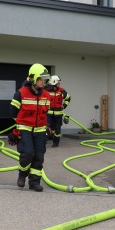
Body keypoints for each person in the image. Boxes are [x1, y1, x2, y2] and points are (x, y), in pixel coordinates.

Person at [10, 63, 51, 192]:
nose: (43, 82)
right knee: (27, 153)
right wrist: (18, 127)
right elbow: (13, 112)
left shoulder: (46, 95)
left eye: (44, 79)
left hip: (40, 130)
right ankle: (22, 175)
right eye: (41, 79)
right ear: (32, 78)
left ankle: (34, 182)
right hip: (25, 129)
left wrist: (48, 127)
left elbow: (47, 113)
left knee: (39, 156)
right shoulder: (20, 94)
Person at [45, 75, 71, 148]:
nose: (59, 84)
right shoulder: (46, 90)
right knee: (46, 127)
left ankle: (55, 143)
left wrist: (64, 105)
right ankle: (44, 141)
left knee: (57, 129)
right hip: (48, 114)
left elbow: (68, 98)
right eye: (58, 82)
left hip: (58, 115)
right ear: (54, 82)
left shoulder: (61, 91)